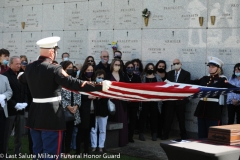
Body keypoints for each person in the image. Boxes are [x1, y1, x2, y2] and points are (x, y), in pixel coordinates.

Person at [18, 37, 103, 160]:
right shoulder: (54, 68)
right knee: (51, 155)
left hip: (34, 116)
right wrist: (98, 86)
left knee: (38, 153)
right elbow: (73, 82)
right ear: (52, 52)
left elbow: (21, 79)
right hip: (51, 117)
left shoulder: (30, 67)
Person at [190, 56, 236, 138]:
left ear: (218, 69)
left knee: (212, 134)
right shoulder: (204, 78)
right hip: (201, 109)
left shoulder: (221, 80)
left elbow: (232, 88)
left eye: (213, 67)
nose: (210, 68)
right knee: (201, 134)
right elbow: (190, 83)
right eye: (209, 66)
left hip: (213, 110)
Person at [3, 56, 28, 156]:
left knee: (19, 133)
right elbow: (5, 93)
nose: (19, 66)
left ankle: (17, 152)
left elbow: (26, 90)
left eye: (20, 64)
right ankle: (4, 151)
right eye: (17, 64)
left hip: (21, 109)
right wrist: (15, 104)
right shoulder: (5, 76)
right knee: (7, 132)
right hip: (10, 109)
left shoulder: (23, 75)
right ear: (10, 64)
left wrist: (25, 103)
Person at [162, 58, 190, 140]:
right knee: (168, 119)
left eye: (177, 63)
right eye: (174, 64)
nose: (176, 65)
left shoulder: (186, 74)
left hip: (181, 101)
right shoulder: (169, 74)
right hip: (170, 100)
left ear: (181, 64)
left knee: (181, 119)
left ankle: (183, 135)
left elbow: (185, 86)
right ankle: (166, 134)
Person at [61, 61, 81, 156]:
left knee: (70, 132)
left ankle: (67, 151)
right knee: (62, 133)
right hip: (64, 111)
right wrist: (68, 106)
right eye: (68, 67)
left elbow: (78, 94)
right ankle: (61, 151)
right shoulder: (60, 81)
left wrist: (76, 106)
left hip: (74, 111)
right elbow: (59, 96)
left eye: (71, 67)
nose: (70, 69)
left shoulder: (74, 80)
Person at [106, 59, 128, 146]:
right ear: (112, 65)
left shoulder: (122, 75)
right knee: (113, 119)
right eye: (116, 64)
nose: (117, 66)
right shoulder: (108, 75)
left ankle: (122, 141)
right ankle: (112, 141)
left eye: (119, 65)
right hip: (112, 101)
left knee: (122, 120)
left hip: (121, 101)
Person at [139, 63, 162, 141]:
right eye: (149, 68)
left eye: (152, 68)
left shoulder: (158, 77)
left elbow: (161, 87)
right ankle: (141, 133)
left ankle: (154, 134)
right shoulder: (142, 77)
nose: (150, 69)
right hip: (145, 100)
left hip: (154, 101)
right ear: (146, 68)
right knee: (143, 117)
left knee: (154, 117)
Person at [76, 64, 96, 154]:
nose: (90, 72)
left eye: (91, 70)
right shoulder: (81, 82)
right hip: (84, 110)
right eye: (88, 70)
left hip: (92, 110)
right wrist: (88, 97)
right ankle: (77, 151)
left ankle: (86, 150)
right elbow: (78, 94)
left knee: (88, 130)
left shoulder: (94, 81)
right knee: (81, 131)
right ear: (84, 71)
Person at [90, 69, 109, 152]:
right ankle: (93, 146)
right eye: (99, 77)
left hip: (103, 112)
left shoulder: (106, 87)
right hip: (93, 111)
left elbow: (106, 98)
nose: (100, 78)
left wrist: (98, 97)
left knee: (102, 130)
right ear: (95, 77)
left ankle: (101, 146)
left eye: (102, 77)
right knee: (93, 130)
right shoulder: (92, 86)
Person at [124, 61, 141, 143]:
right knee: (125, 119)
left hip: (134, 102)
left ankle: (130, 136)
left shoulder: (137, 77)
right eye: (128, 67)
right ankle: (124, 135)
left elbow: (140, 89)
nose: (130, 69)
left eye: (132, 67)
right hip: (125, 102)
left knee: (133, 120)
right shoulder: (123, 77)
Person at [0, 74, 12, 158]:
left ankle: (2, 154)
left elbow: (9, 91)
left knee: (3, 134)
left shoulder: (4, 78)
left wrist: (4, 96)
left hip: (2, 111)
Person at [155, 60, 167, 138]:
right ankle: (156, 132)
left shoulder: (167, 74)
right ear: (157, 66)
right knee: (156, 117)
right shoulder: (154, 74)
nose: (161, 68)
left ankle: (161, 132)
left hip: (165, 98)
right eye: (160, 66)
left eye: (163, 66)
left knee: (164, 116)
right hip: (156, 99)